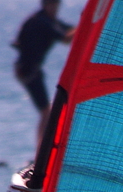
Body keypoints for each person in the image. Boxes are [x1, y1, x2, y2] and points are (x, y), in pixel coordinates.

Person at [11, 0, 74, 130]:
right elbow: (66, 38)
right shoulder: (42, 21)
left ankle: (42, 140)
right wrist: (89, 25)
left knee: (46, 112)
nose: (55, 8)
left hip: (32, 70)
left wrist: (85, 25)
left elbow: (70, 30)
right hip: (27, 71)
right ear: (45, 5)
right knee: (46, 113)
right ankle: (41, 142)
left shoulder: (49, 20)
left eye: (56, 5)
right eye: (52, 5)